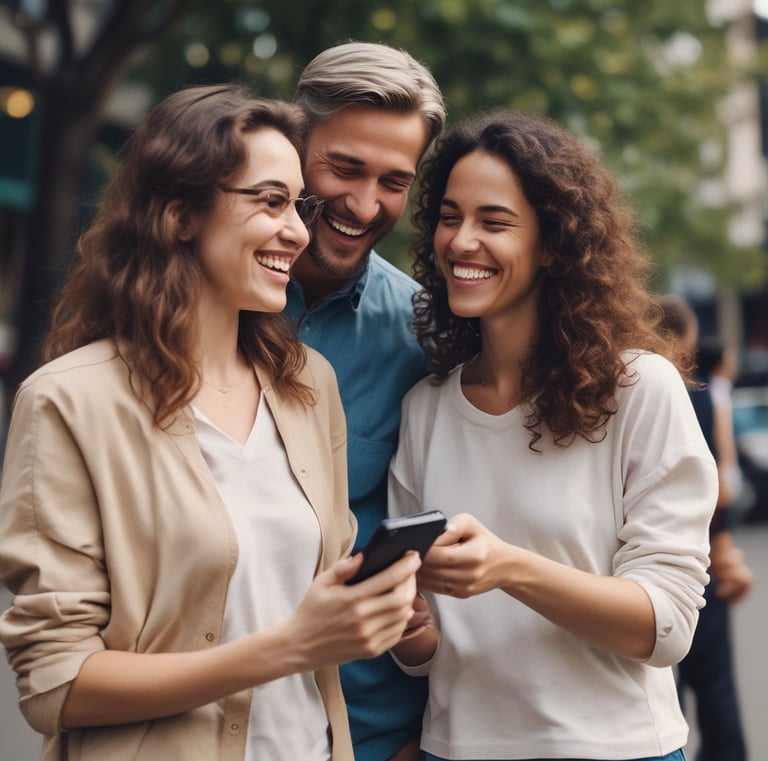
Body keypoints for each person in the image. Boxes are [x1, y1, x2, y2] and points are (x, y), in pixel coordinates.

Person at [0, 84, 423, 761]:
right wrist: (290, 645)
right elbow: (56, 682)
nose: (298, 230)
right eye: (270, 201)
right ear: (179, 215)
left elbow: (312, 588)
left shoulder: (308, 385)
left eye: (298, 205)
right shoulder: (69, 402)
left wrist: (385, 609)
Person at [387, 111, 718, 761]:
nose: (460, 241)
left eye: (494, 221)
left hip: (617, 748)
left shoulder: (640, 390)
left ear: (553, 244)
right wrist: (407, 630)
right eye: (450, 217)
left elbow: (668, 625)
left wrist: (510, 566)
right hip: (457, 748)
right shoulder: (425, 409)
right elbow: (427, 654)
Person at [287, 42, 446, 761]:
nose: (362, 203)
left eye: (393, 180)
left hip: (372, 732)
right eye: (344, 167)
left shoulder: (425, 333)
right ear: (294, 141)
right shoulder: (191, 305)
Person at [656, 294, 753, 761]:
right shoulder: (695, 394)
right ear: (681, 339)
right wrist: (725, 549)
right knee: (714, 687)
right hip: (697, 565)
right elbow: (720, 488)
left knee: (657, 693)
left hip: (633, 570)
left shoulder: (611, 387)